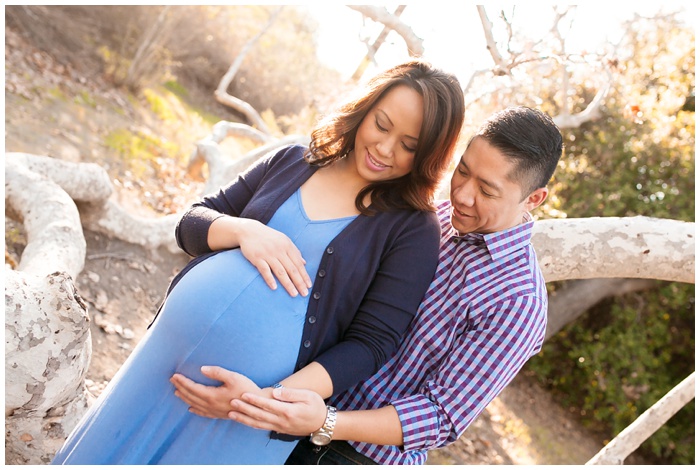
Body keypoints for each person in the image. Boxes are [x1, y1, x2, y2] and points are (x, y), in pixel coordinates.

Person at [50, 59, 465, 465]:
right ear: (366, 109)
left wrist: (263, 400)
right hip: (161, 360)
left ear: (429, 154)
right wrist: (247, 231)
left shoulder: (413, 228)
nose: (385, 148)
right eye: (382, 125)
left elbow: (372, 343)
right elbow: (191, 224)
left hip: (246, 412)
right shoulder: (294, 160)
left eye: (410, 146)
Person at [170, 105, 564, 465]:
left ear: (535, 198)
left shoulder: (519, 301)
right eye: (463, 171)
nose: (462, 194)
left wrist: (325, 421)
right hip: (280, 410)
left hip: (350, 455)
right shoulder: (421, 219)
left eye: (487, 190)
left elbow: (441, 415)